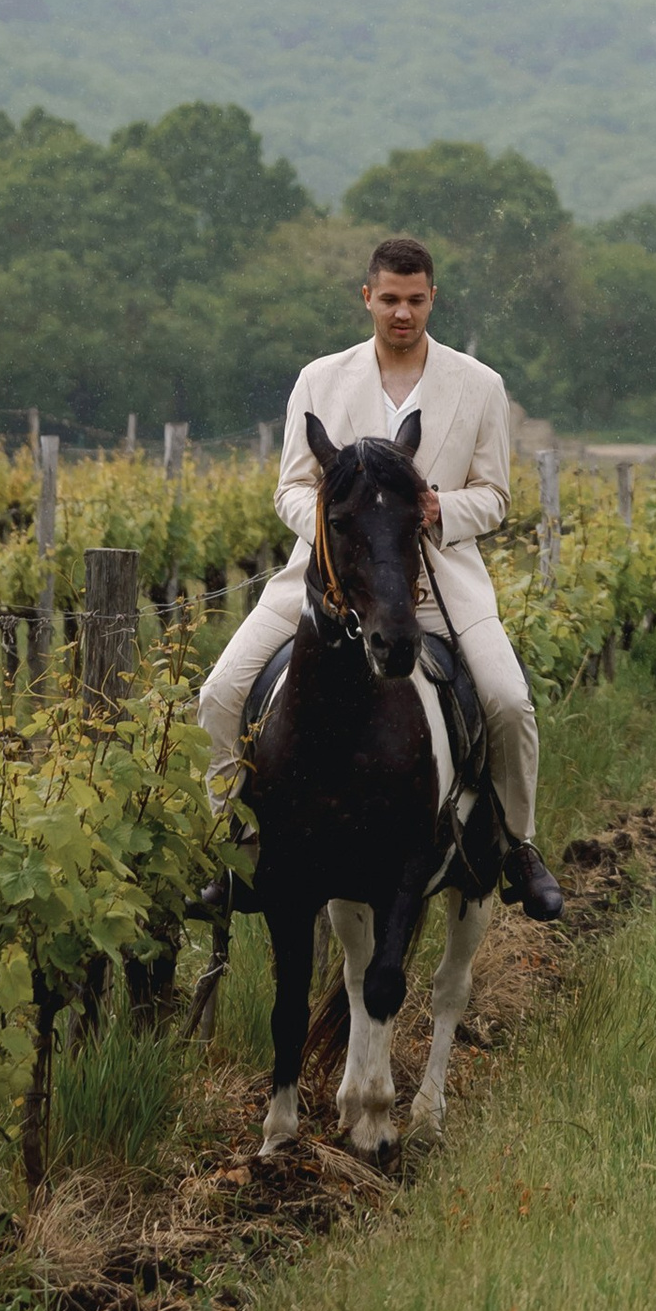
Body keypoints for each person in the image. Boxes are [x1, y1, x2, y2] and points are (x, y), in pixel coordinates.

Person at [196, 232, 565, 920]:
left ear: (433, 300)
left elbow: (497, 496)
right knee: (219, 694)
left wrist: (438, 507)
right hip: (330, 582)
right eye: (390, 299)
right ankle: (232, 844)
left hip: (440, 584)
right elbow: (289, 489)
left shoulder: (480, 386)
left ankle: (519, 846)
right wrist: (343, 538)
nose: (403, 312)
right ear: (368, 298)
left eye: (415, 300)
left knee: (510, 704)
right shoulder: (319, 379)